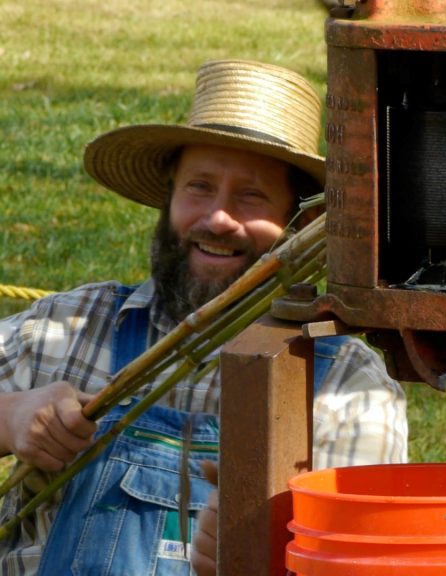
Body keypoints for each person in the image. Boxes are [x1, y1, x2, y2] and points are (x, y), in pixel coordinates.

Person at [0, 59, 408, 575]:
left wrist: (268, 559)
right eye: (199, 187)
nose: (217, 218)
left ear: (299, 224)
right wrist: (10, 416)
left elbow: (366, 558)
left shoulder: (347, 386)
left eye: (252, 195)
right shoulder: (75, 324)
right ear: (168, 198)